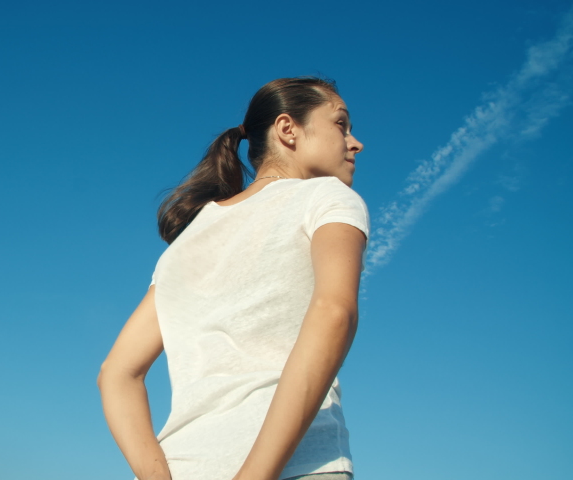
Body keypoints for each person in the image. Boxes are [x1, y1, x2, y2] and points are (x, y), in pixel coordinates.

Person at [97, 77, 369, 480]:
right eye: (341, 124)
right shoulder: (327, 198)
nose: (354, 142)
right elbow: (334, 311)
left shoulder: (187, 240)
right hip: (297, 467)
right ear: (287, 129)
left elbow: (117, 373)